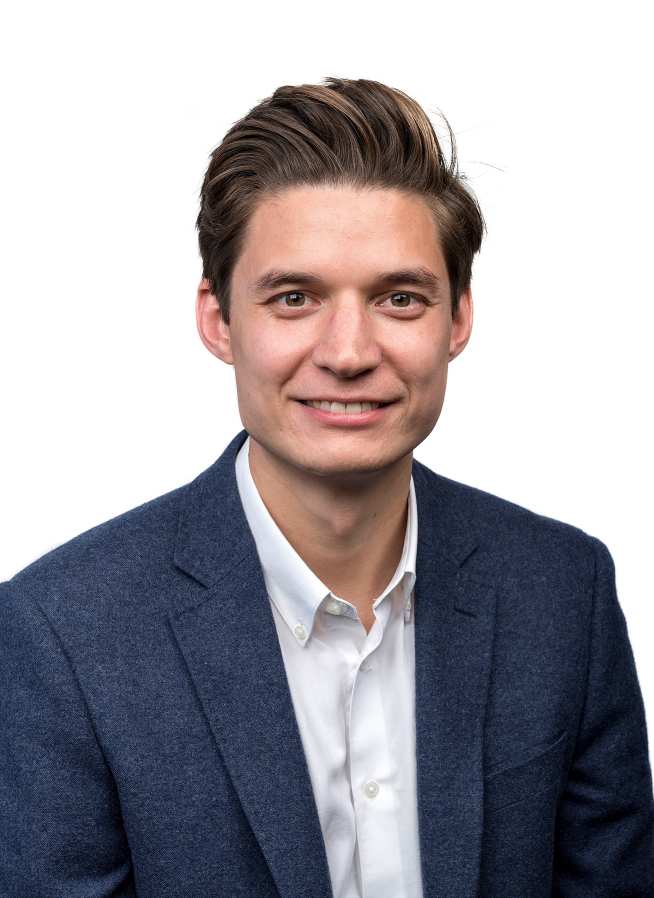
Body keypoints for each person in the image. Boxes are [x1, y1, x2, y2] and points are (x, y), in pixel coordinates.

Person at [1, 76, 652, 898]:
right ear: (218, 319)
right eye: (294, 298)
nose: (348, 352)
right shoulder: (62, 633)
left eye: (399, 298)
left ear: (457, 320)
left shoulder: (563, 591)